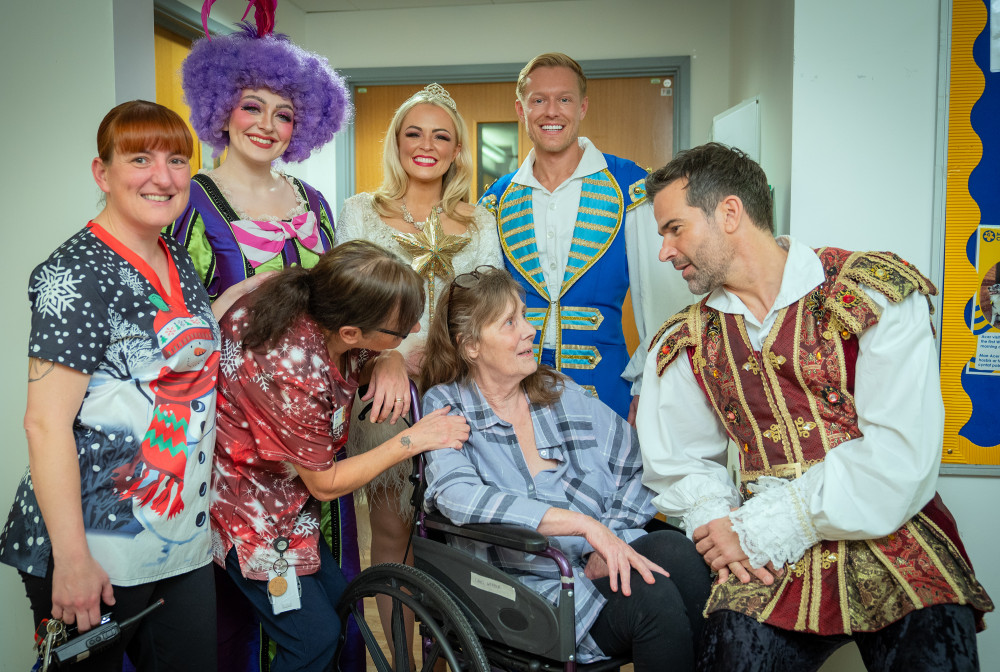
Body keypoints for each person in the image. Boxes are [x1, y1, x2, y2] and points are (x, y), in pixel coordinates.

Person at [638, 143, 995, 671]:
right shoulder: (688, 338)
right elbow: (682, 458)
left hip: (889, 530)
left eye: (674, 228)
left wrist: (765, 524)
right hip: (761, 553)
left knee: (935, 643)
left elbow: (899, 452)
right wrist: (720, 525)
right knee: (732, 654)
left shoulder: (868, 292)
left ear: (730, 213)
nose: (665, 251)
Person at [0, 100, 255, 670]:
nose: (162, 177)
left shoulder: (171, 255)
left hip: (175, 542)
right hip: (91, 547)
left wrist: (234, 303)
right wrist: (72, 560)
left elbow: (162, 353)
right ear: (103, 173)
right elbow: (43, 424)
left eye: (176, 160)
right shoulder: (76, 272)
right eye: (140, 158)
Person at [165, 9, 358, 669]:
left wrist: (380, 362)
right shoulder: (188, 201)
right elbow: (161, 328)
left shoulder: (315, 202)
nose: (267, 126)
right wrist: (224, 301)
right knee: (249, 607)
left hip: (315, 430)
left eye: (284, 114)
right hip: (231, 446)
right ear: (222, 107)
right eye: (253, 106)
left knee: (322, 596)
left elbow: (342, 314)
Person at [420, 266, 711, 671]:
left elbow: (638, 465)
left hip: (588, 566)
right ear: (470, 345)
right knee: (653, 599)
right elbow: (457, 495)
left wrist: (603, 540)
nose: (529, 330)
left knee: (683, 555)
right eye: (509, 322)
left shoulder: (557, 391)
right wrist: (584, 526)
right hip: (526, 590)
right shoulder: (447, 405)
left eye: (524, 314)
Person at [212, 240, 470, 672]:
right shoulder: (290, 368)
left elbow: (360, 360)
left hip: (290, 509)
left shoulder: (322, 307)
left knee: (339, 608)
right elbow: (324, 482)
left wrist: (389, 358)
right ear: (350, 333)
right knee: (313, 640)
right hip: (250, 517)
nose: (414, 328)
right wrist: (413, 439)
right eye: (401, 330)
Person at [335, 82, 503, 654]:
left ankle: (451, 660)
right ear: (396, 143)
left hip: (465, 389)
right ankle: (401, 661)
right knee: (393, 532)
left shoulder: (481, 222)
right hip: (386, 390)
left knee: (460, 535)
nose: (425, 146)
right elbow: (341, 309)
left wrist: (452, 356)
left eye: (441, 136)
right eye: (413, 133)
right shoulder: (360, 211)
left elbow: (492, 308)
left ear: (457, 151)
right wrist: (384, 356)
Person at [480, 52, 690, 422]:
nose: (551, 112)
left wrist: (649, 386)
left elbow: (659, 301)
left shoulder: (631, 186)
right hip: (515, 390)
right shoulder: (497, 199)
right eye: (538, 100)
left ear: (583, 107)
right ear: (521, 108)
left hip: (607, 387)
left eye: (564, 99)